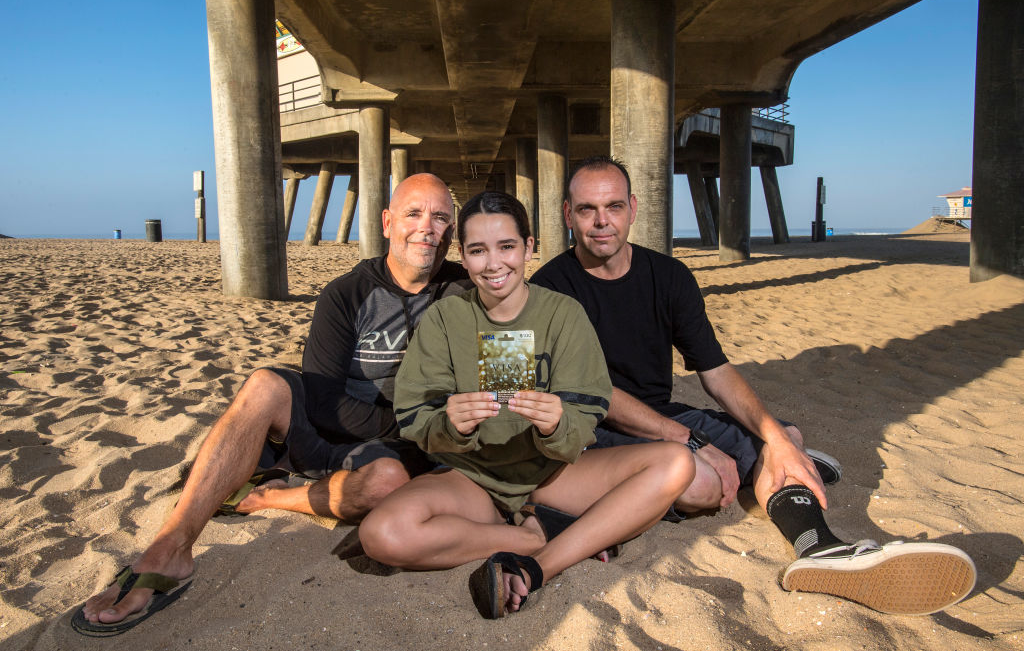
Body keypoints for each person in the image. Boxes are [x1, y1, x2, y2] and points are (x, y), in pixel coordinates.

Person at [530, 156, 976, 616]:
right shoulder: (547, 290)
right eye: (587, 210)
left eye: (614, 207)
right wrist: (694, 441)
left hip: (662, 415)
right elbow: (593, 392)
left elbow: (716, 372)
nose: (602, 221)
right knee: (700, 483)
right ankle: (753, 477)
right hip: (593, 429)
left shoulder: (669, 277)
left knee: (786, 440)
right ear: (568, 214)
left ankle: (818, 548)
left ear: (633, 208)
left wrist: (777, 439)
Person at [72, 173, 471, 636]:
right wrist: (409, 424)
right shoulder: (346, 294)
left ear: (452, 231)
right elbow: (321, 401)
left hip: (384, 453)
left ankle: (269, 496)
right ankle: (171, 548)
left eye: (441, 217)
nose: (427, 226)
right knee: (264, 384)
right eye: (414, 213)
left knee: (387, 483)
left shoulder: (462, 291)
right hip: (333, 424)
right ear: (386, 223)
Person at [357, 191, 695, 619]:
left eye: (507, 247)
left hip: (554, 473)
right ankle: (539, 539)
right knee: (381, 535)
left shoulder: (563, 314)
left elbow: (589, 411)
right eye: (478, 250)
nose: (494, 264)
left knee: (677, 464)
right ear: (464, 254)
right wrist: (450, 424)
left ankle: (539, 567)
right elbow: (415, 414)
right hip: (474, 477)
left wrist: (558, 424)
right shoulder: (446, 318)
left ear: (530, 247)